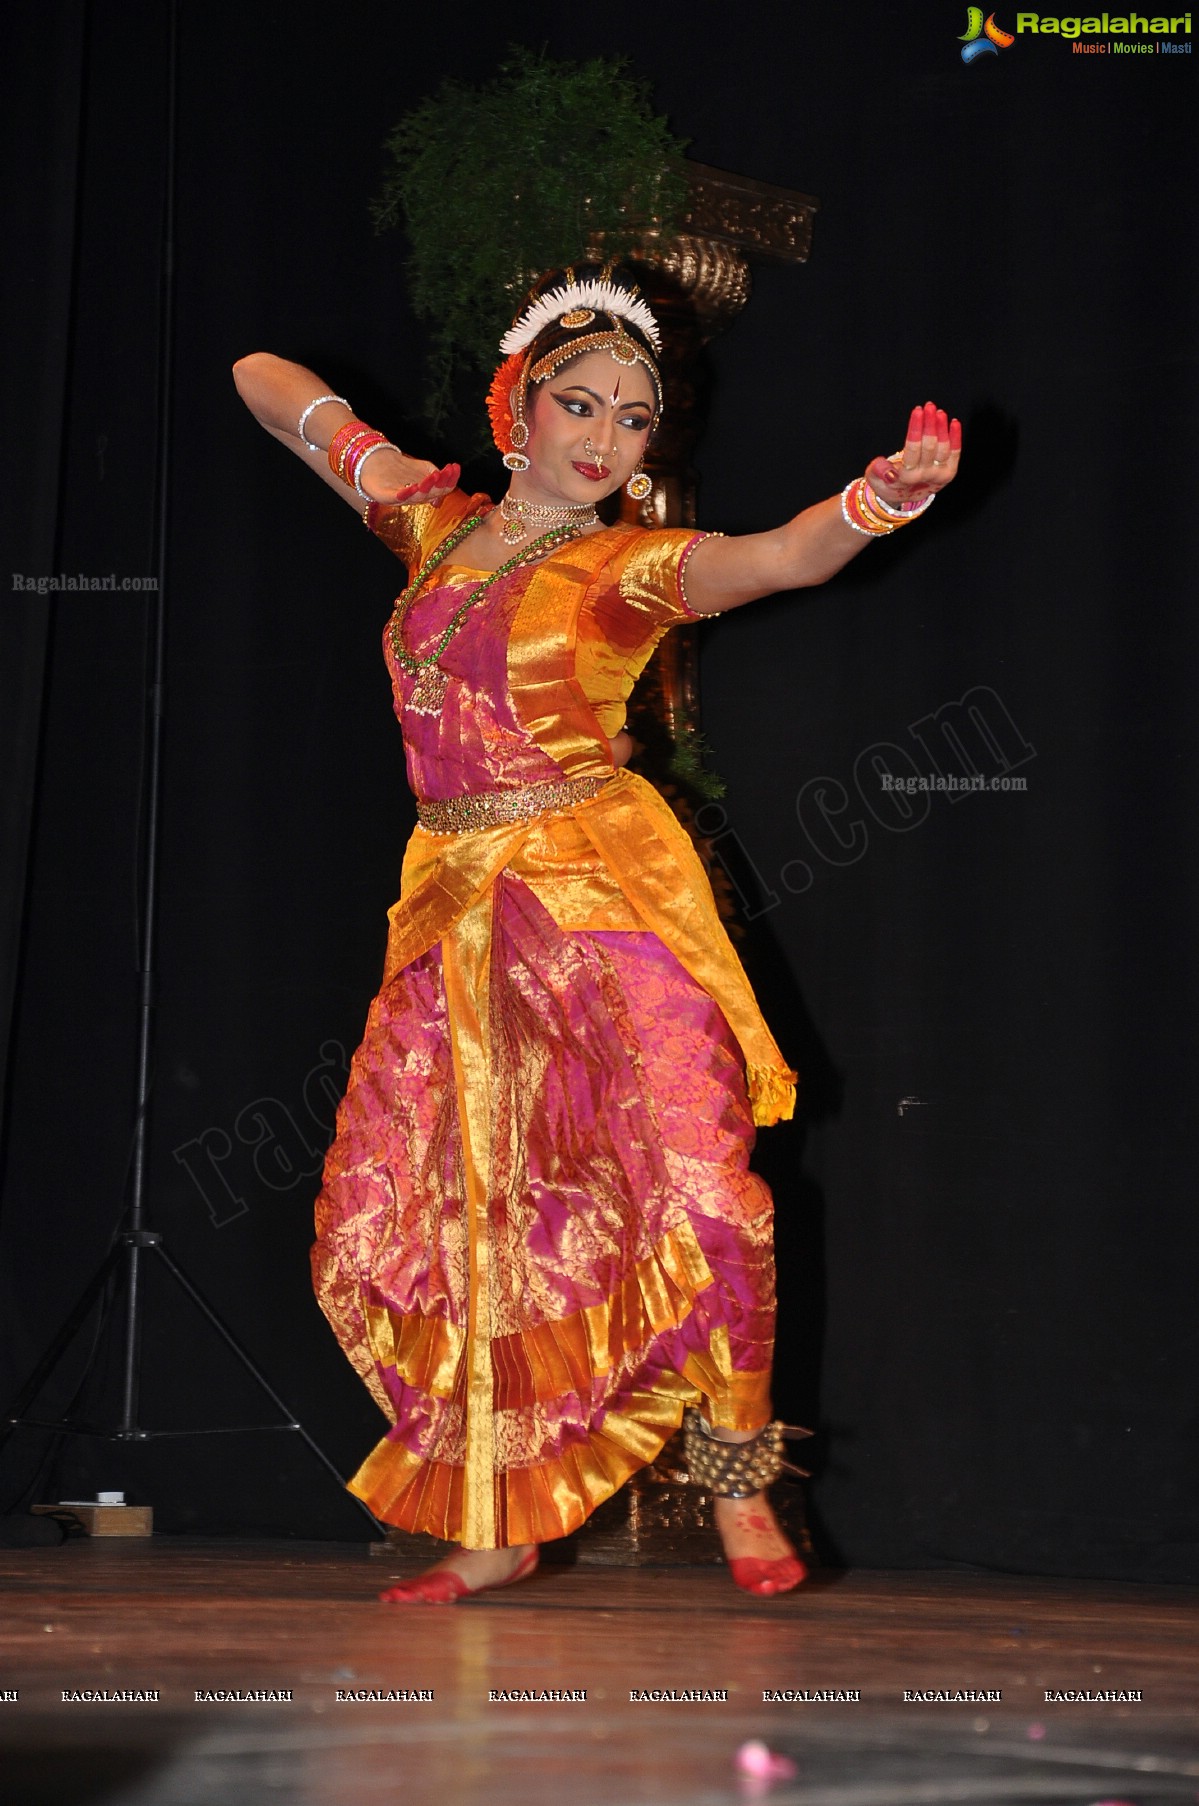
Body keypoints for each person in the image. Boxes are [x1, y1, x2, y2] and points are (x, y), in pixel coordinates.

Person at [233, 263, 961, 1605]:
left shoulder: (625, 572)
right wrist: (368, 451)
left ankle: (741, 1467)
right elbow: (256, 378)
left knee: (706, 1186)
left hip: (595, 893)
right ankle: (498, 1515)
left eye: (636, 419)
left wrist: (876, 504)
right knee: (437, 1220)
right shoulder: (428, 527)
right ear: (517, 408)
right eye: (581, 402)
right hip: (453, 909)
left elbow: (781, 557)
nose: (609, 437)